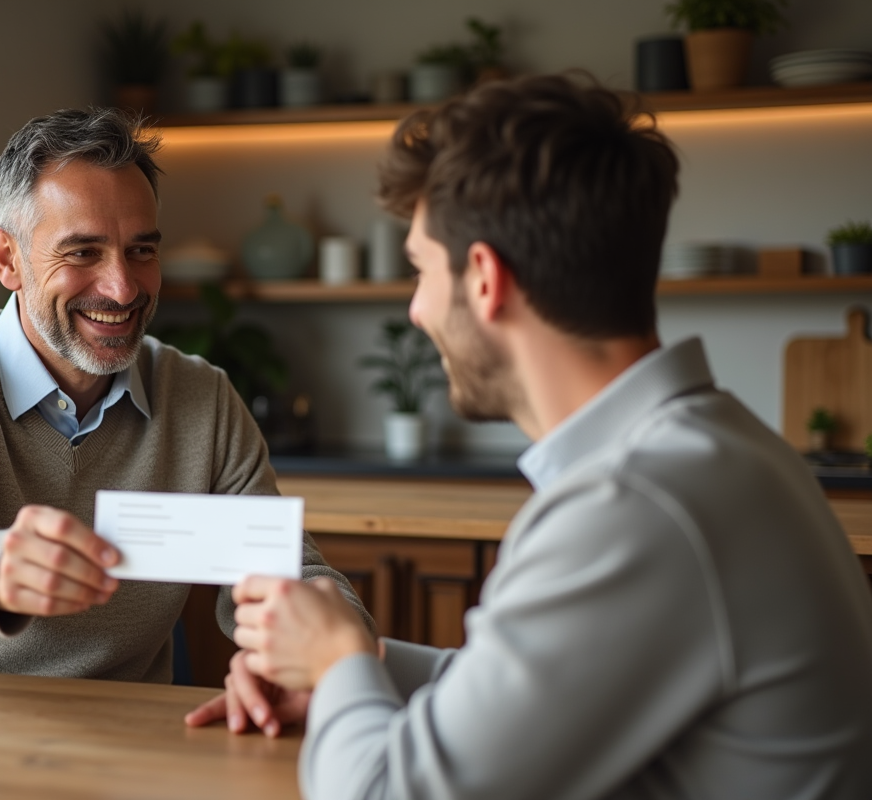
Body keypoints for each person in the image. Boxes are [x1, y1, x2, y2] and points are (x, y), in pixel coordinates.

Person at [189, 74, 872, 798]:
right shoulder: (715, 451)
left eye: (420, 270)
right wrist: (366, 665)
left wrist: (337, 666)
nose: (417, 312)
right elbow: (536, 691)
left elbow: (388, 791)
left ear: (485, 278)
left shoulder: (633, 506)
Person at [0, 107, 371, 680]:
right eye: (83, 252)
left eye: (141, 251)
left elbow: (288, 575)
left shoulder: (201, 400)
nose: (122, 288)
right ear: (7, 259)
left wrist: (338, 642)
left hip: (118, 744)